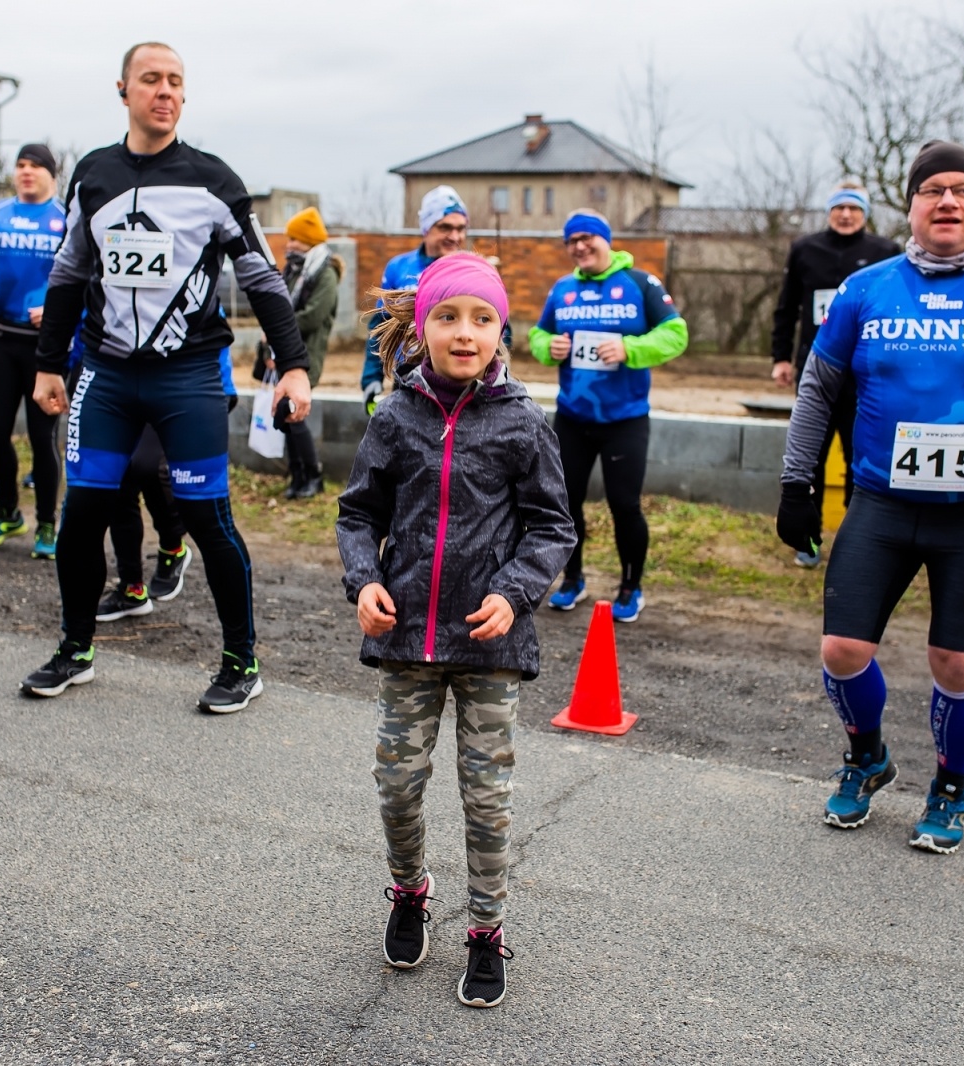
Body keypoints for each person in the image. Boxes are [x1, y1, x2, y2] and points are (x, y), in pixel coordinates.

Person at [775, 140, 964, 854]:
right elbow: (817, 391)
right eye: (932, 190)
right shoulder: (866, 288)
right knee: (842, 649)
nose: (947, 201)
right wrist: (797, 483)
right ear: (911, 205)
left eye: (962, 190)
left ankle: (950, 786)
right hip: (882, 502)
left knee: (957, 663)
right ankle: (867, 758)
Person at [21, 41, 312, 712]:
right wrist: (47, 363)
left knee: (208, 520)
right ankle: (75, 649)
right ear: (123, 90)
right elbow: (67, 272)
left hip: (187, 378)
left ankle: (241, 662)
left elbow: (262, 279)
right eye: (151, 79)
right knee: (81, 517)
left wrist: (294, 367)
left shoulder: (213, 180)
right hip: (106, 375)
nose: (165, 91)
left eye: (176, 81)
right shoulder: (93, 174)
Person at [337, 254, 574, 1009]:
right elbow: (357, 513)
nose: (464, 332)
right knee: (397, 786)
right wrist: (364, 581)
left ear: (502, 330)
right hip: (406, 637)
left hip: (489, 645)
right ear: (423, 329)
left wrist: (514, 593)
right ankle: (410, 890)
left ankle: (485, 931)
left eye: (481, 318)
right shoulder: (395, 416)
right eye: (447, 317)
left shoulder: (523, 422)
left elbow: (553, 527)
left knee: (487, 798)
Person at [528, 209, 688, 623]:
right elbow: (538, 334)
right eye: (571, 241)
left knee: (624, 504)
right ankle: (572, 579)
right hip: (572, 418)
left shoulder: (639, 283)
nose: (580, 246)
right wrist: (549, 348)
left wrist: (629, 349)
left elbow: (676, 333)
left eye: (587, 238)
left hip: (625, 419)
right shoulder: (563, 289)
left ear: (606, 239)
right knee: (565, 504)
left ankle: (631, 588)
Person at [770, 181, 900, 567]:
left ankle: (857, 540)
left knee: (860, 458)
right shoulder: (805, 249)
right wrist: (781, 357)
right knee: (811, 457)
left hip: (866, 377)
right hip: (818, 372)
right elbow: (787, 307)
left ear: (865, 214)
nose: (846, 215)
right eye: (839, 208)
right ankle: (807, 541)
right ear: (829, 211)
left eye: (854, 208)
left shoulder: (885, 253)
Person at [0, 143, 66, 559]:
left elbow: (87, 279)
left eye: (35, 166)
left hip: (45, 348)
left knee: (43, 437)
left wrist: (57, 310)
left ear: (52, 175)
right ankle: (7, 512)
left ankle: (47, 523)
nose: (26, 172)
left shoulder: (66, 220)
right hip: (2, 339)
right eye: (21, 165)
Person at [97, 340, 238, 620]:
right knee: (118, 476)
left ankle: (173, 547)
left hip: (193, 383)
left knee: (148, 467)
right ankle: (131, 589)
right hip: (130, 382)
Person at [359, 185, 469, 413]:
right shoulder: (399, 267)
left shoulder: (473, 271)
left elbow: (499, 332)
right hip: (407, 379)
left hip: (459, 385)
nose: (455, 236)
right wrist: (371, 377)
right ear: (426, 228)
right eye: (445, 227)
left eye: (461, 228)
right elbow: (380, 326)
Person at [256, 205, 339, 498]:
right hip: (283, 353)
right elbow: (278, 307)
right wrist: (271, 346)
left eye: (294, 238)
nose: (289, 244)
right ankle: (297, 476)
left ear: (309, 240)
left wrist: (278, 330)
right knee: (285, 413)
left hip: (305, 357)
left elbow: (313, 316)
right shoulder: (293, 270)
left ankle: (313, 476)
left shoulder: (325, 273)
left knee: (295, 416)